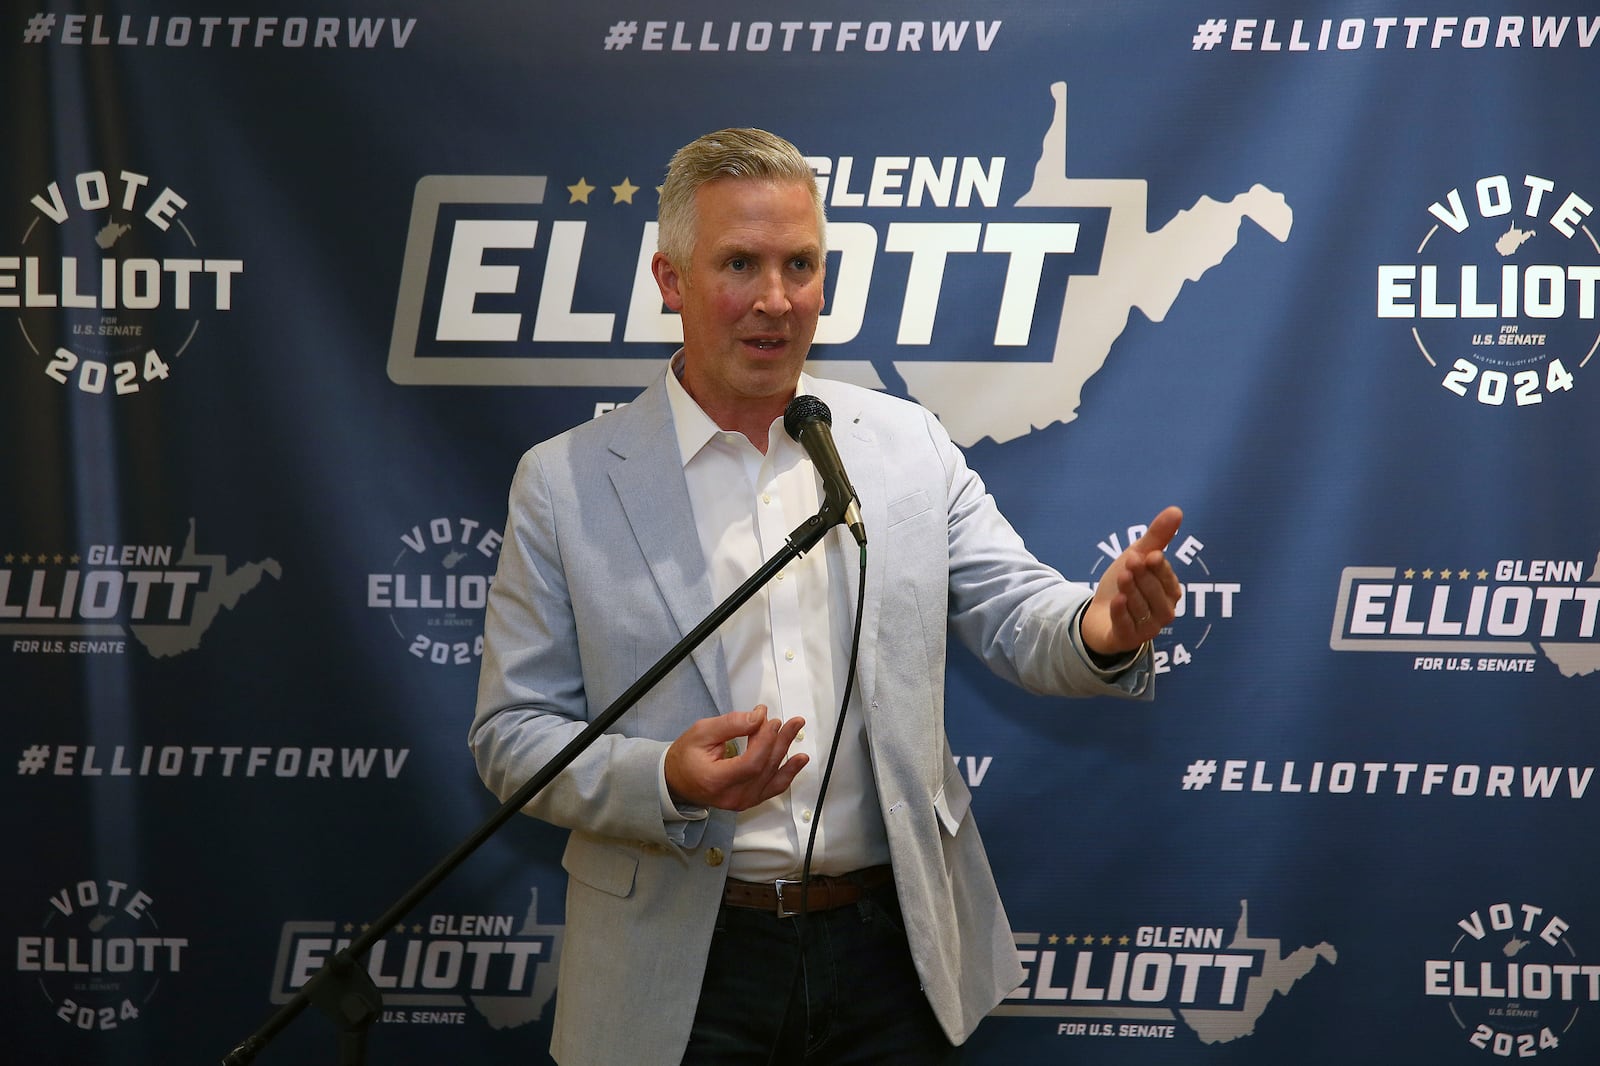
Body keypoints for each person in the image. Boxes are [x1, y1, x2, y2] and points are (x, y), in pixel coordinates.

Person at [470, 127, 1183, 1065]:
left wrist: (1098, 628)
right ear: (671, 280)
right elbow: (512, 736)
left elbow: (1018, 613)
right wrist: (667, 779)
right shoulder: (566, 483)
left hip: (891, 955)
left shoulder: (904, 445)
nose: (776, 299)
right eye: (740, 263)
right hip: (677, 971)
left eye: (800, 264)